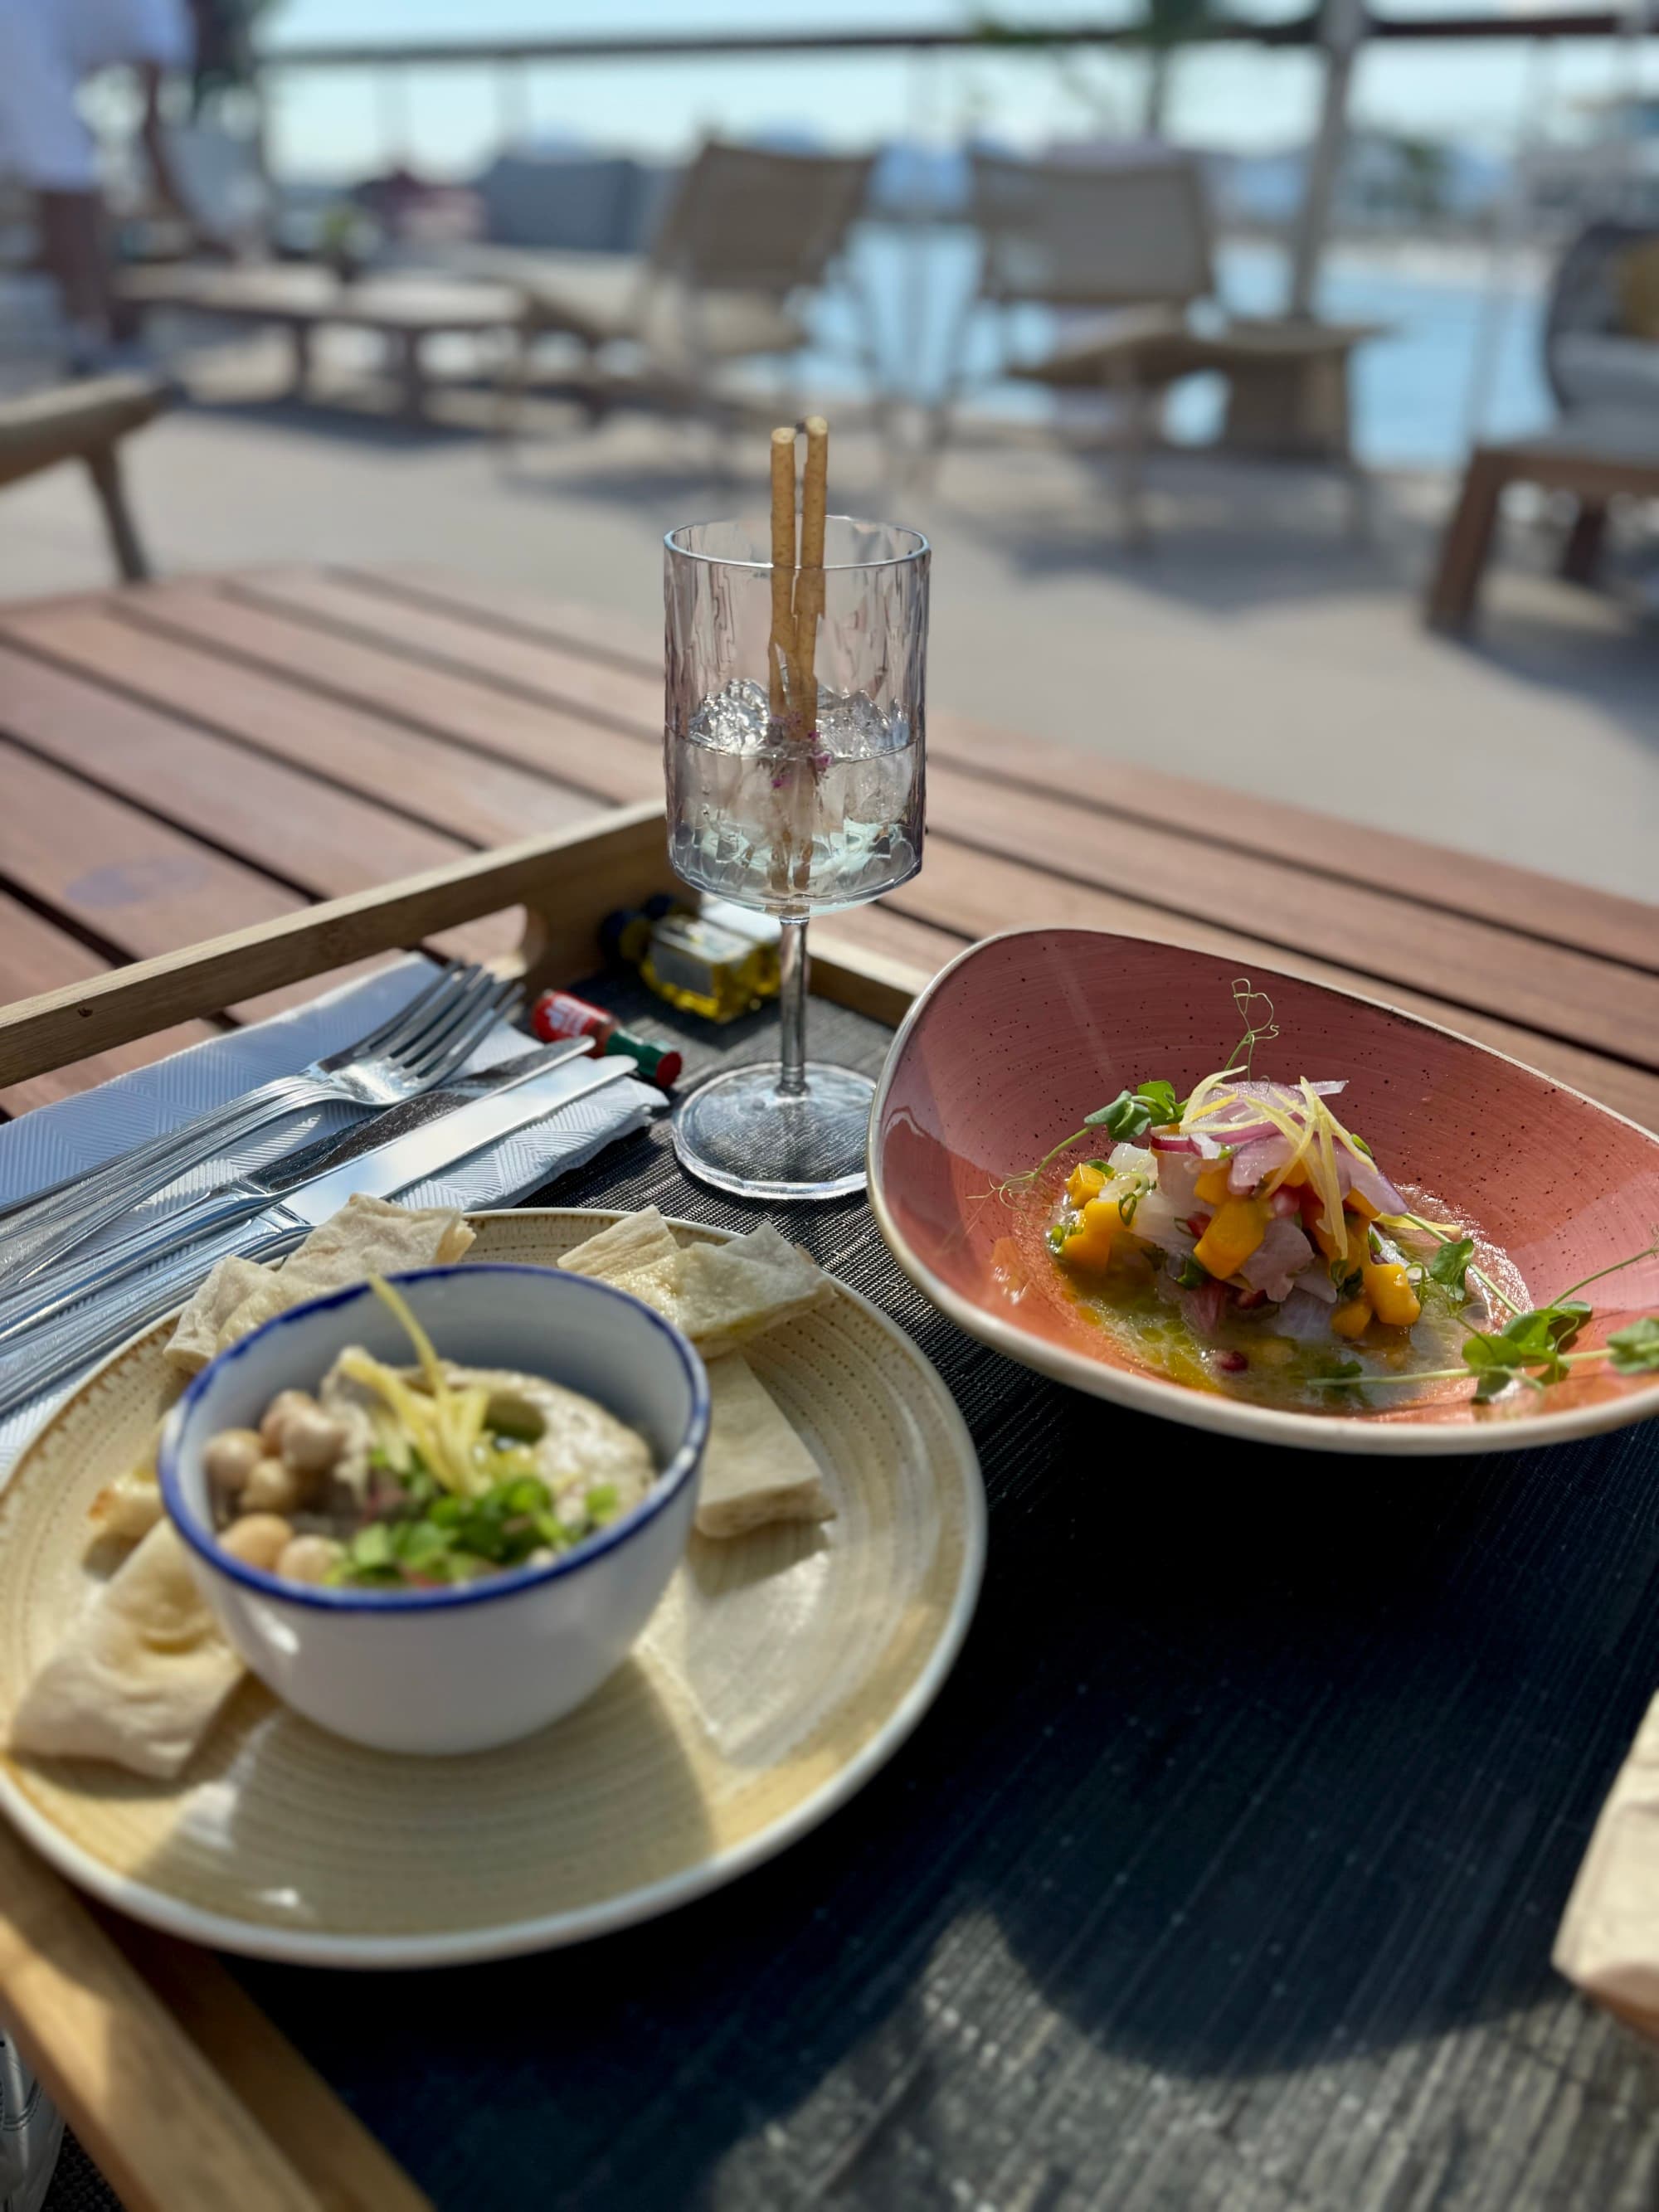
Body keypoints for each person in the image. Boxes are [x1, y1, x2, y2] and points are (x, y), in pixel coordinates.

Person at [0, 0, 198, 371]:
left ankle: (89, 327)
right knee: (70, 185)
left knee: (66, 181)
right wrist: (197, 223)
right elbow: (151, 134)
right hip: (16, 26)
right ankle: (95, 333)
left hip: (18, 33)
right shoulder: (170, 18)